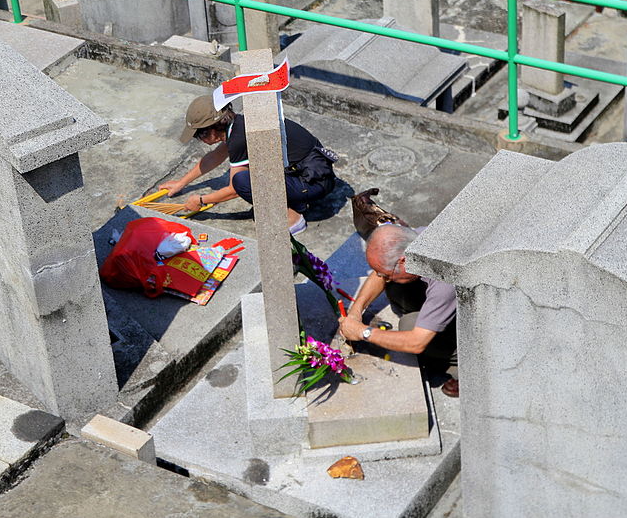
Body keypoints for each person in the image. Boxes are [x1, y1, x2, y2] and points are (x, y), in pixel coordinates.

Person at [155, 95, 337, 235]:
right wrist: (181, 182)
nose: (199, 140)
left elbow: (235, 188)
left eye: (199, 135)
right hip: (311, 173)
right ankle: (295, 201)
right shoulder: (239, 124)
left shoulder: (239, 138)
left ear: (213, 128)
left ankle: (292, 218)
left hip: (314, 182)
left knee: (244, 180)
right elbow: (215, 157)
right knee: (250, 174)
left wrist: (201, 201)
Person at [338, 224, 459, 397]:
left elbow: (416, 342)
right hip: (443, 297)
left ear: (403, 261)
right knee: (395, 283)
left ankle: (459, 368)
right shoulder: (412, 239)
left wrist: (362, 332)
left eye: (385, 274)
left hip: (480, 329)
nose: (381, 278)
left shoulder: (443, 278)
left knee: (409, 325)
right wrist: (356, 311)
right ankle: (431, 320)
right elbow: (379, 272)